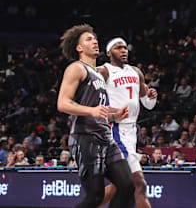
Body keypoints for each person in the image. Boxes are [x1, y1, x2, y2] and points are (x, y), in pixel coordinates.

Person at [56, 24, 135, 208]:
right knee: (95, 196)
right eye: (89, 39)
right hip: (85, 138)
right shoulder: (76, 68)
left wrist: (114, 115)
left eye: (95, 38)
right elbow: (62, 103)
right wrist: (91, 111)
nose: (95, 41)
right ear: (79, 48)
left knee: (127, 185)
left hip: (105, 138)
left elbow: (99, 110)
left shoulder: (99, 74)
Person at [97, 38, 158, 208]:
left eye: (125, 47)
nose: (124, 50)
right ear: (109, 53)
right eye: (118, 48)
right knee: (139, 183)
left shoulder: (136, 72)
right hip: (115, 130)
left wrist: (151, 97)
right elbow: (91, 99)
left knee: (121, 185)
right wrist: (110, 112)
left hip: (131, 131)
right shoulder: (104, 71)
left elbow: (147, 104)